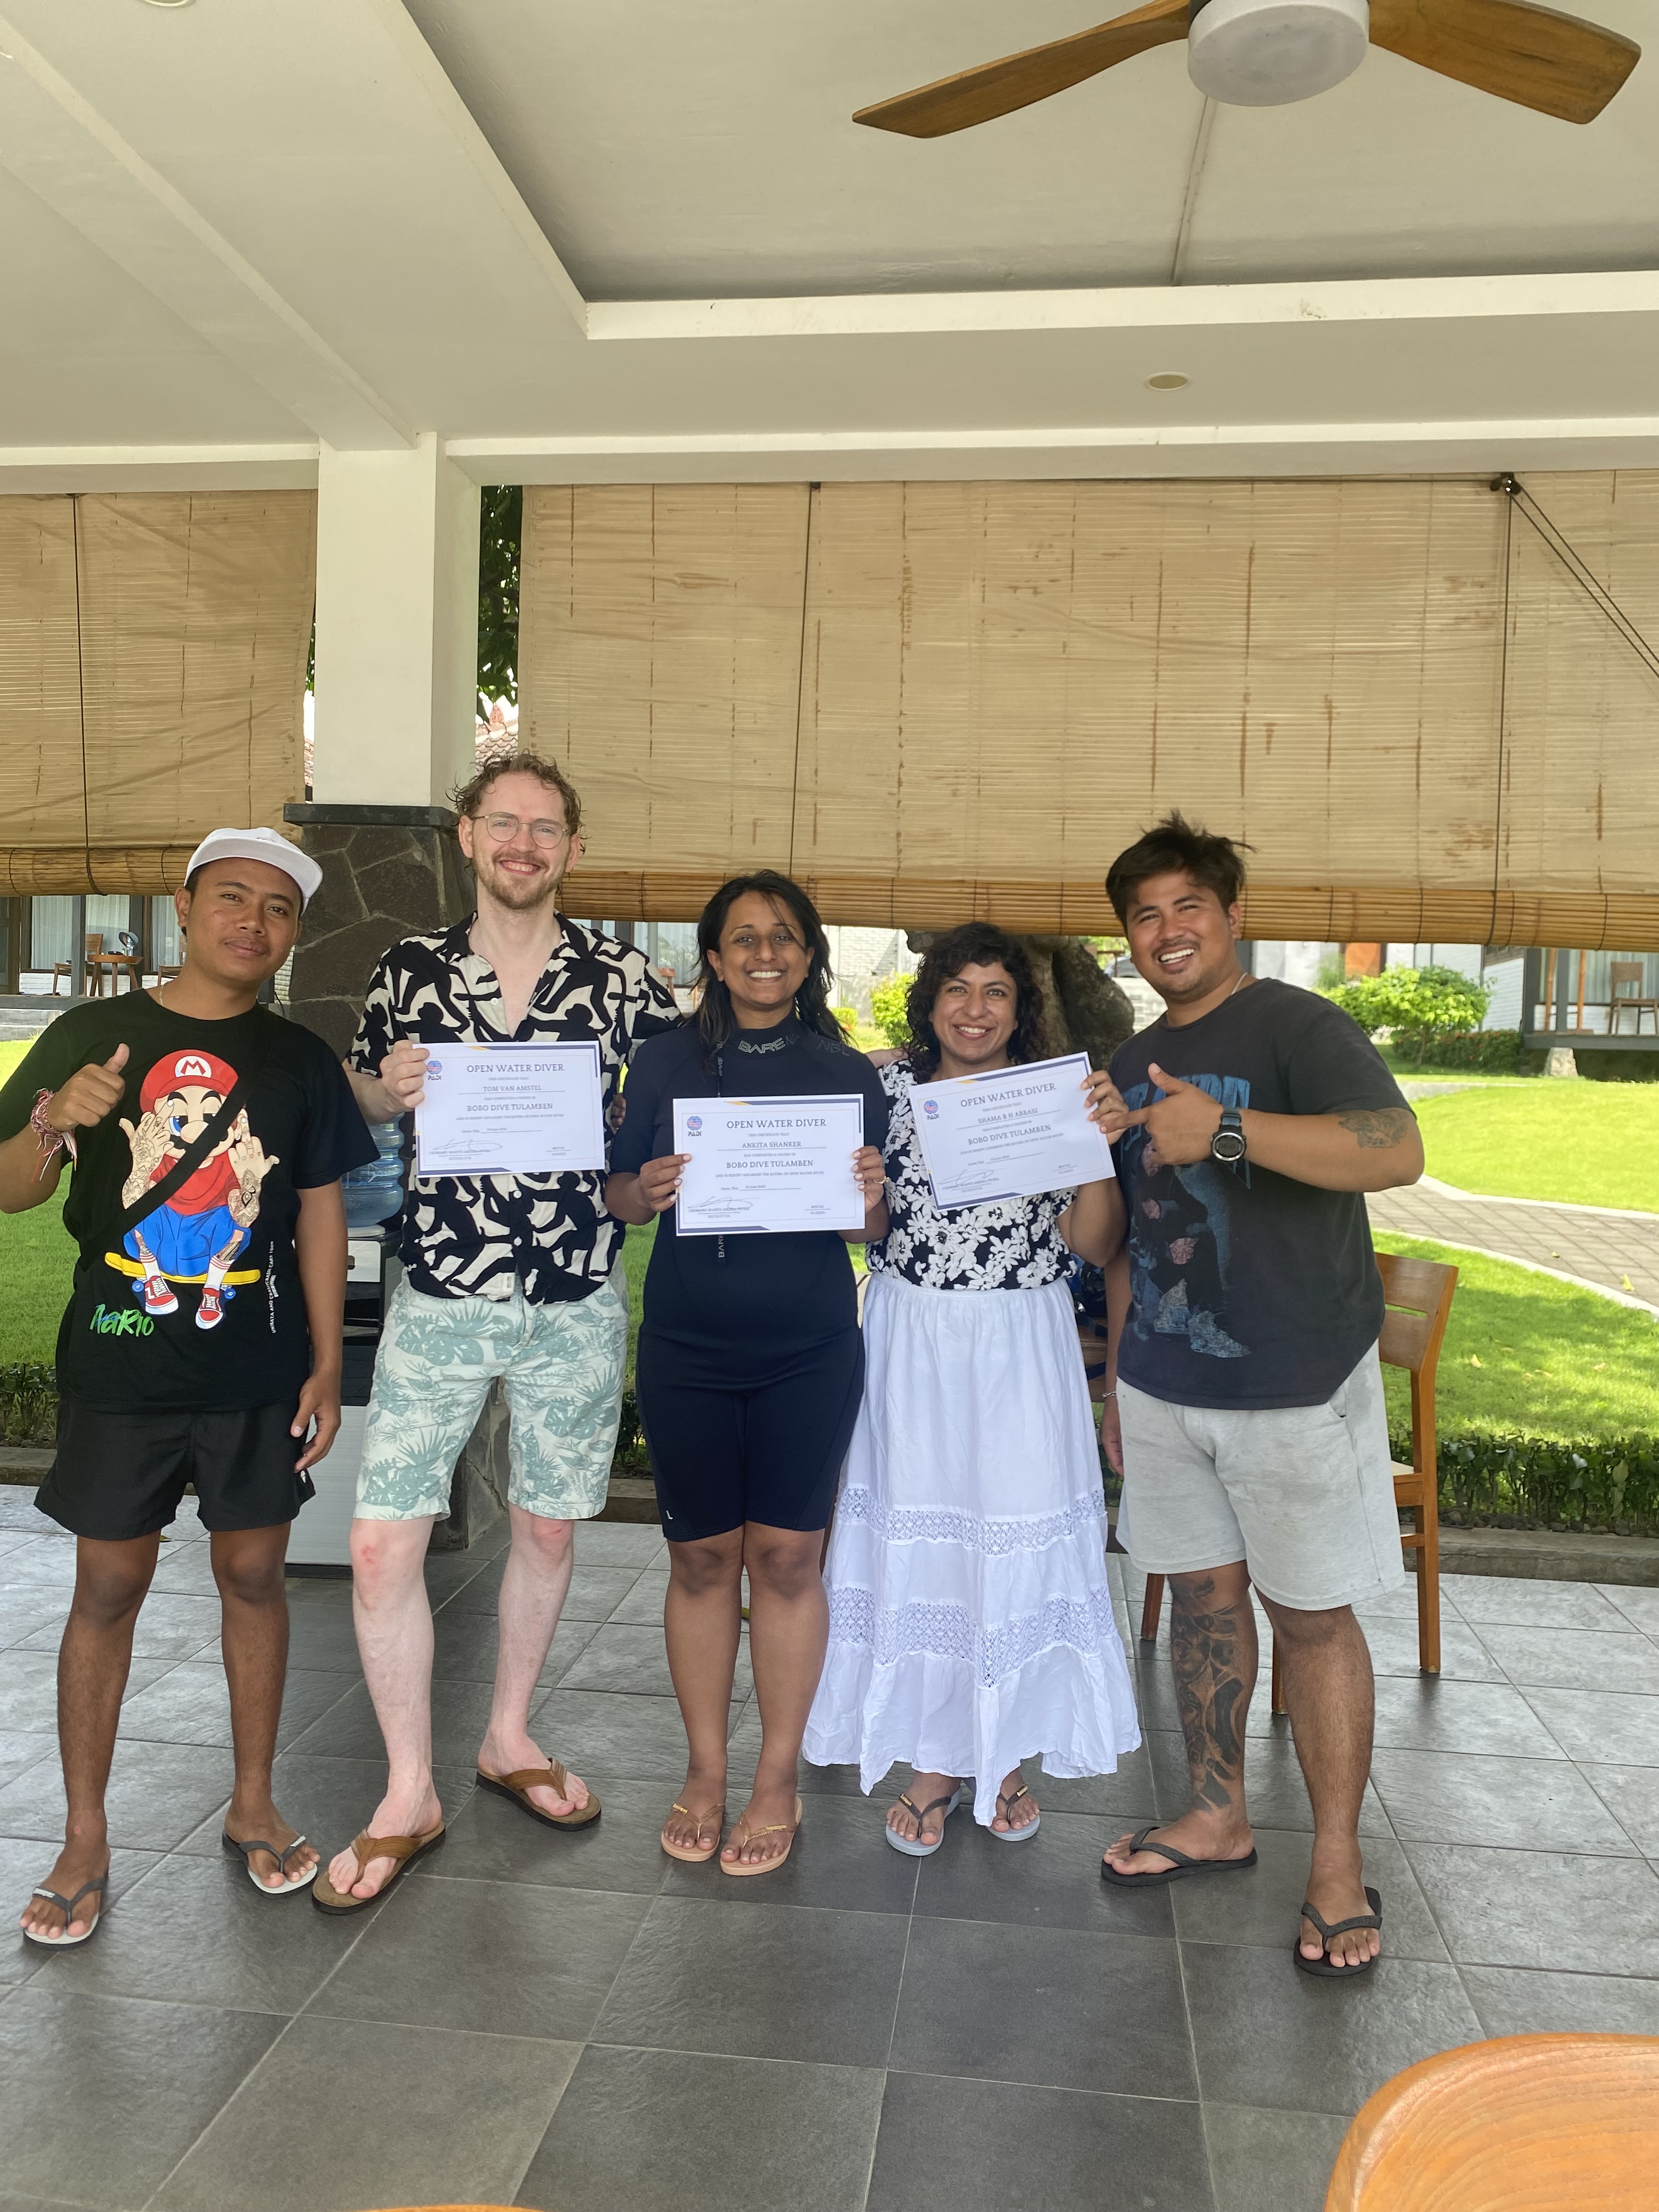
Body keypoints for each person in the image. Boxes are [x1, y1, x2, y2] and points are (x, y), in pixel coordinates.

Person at [314, 752, 676, 1912]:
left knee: (549, 1528)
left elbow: (667, 1123)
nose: (524, 844)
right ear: (467, 836)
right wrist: (388, 1088)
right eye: (504, 823)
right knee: (382, 1543)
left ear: (574, 848)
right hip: (442, 1289)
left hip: (574, 1291)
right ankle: (407, 1789)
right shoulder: (410, 968)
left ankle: (508, 1737)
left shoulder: (628, 981)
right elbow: (361, 1097)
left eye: (546, 827)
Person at [0, 829, 375, 1944]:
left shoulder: (298, 1060)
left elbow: (319, 1216)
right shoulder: (92, 1033)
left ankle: (254, 1801)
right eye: (232, 897)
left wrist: (325, 1363)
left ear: (292, 932)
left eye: (277, 908)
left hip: (255, 1368)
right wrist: (54, 1123)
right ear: (183, 905)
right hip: (122, 1360)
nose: (253, 922)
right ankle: (84, 1834)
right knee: (108, 1586)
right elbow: (12, 1192)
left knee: (255, 1573)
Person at [1091, 814, 1425, 1977]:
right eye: (1145, 915)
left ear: (1233, 916)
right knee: (1201, 1603)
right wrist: (1119, 1376)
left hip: (1291, 1381)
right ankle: (1216, 1815)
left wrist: (1226, 1128)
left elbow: (1396, 1150)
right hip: (1165, 1382)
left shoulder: (1299, 1024)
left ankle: (1335, 1862)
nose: (1168, 930)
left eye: (1189, 905)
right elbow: (1129, 1237)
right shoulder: (1131, 1060)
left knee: (1313, 1617)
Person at [804, 924, 1142, 1852]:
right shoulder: (887, 1091)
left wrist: (1092, 1152)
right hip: (912, 1337)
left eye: (997, 991)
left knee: (1013, 1533)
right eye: (958, 988)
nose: (976, 1009)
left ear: (1019, 1009)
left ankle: (1007, 1752)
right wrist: (863, 1191)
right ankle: (936, 1761)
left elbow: (1095, 1244)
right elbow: (867, 1231)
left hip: (1021, 1340)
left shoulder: (1051, 1095)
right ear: (931, 1000)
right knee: (928, 1543)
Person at [607, 871, 890, 1875]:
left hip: (809, 1348)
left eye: (784, 938)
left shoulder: (845, 1072)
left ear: (808, 956)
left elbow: (867, 1231)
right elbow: (619, 1195)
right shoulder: (662, 1060)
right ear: (715, 958)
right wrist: (643, 1187)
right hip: (688, 1346)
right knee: (698, 1560)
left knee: (785, 1559)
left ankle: (775, 1780)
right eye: (744, 938)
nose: (765, 953)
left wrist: (870, 1195)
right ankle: (704, 1771)